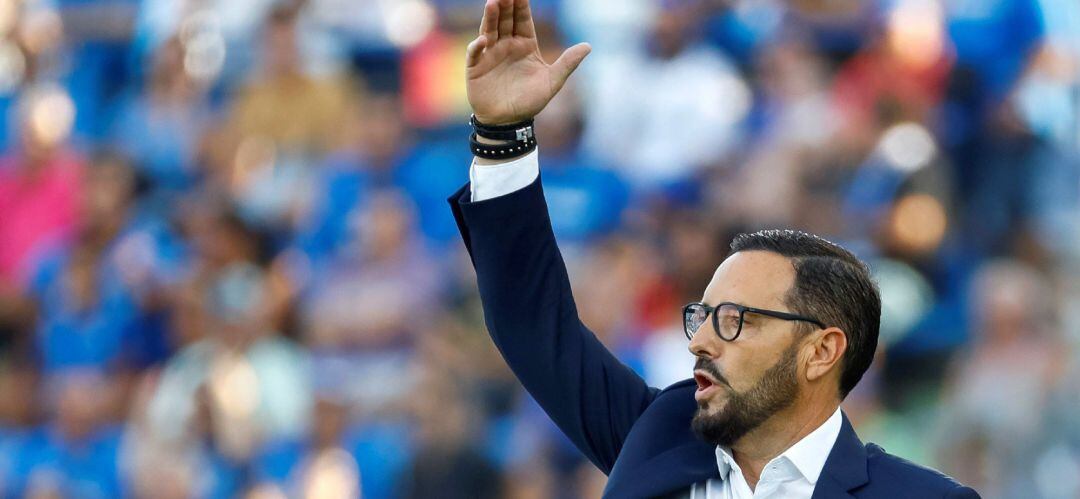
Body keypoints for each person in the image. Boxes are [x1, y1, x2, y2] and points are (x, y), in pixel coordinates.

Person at [447, 0, 981, 497]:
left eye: (733, 320)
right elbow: (531, 323)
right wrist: (503, 134)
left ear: (821, 351)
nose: (700, 342)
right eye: (702, 317)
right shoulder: (657, 439)